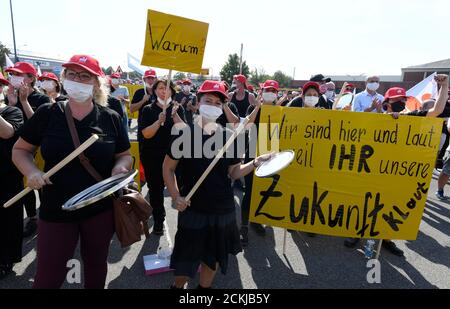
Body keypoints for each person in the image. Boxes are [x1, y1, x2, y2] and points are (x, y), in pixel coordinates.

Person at [12, 54, 132, 289]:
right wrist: (32, 172)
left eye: (84, 75)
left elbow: (124, 154)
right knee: (48, 274)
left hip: (99, 209)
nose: (77, 79)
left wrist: (120, 168)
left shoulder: (111, 118)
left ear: (97, 83)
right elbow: (20, 150)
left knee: (96, 266)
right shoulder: (47, 113)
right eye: (72, 74)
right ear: (64, 78)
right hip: (56, 208)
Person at [163, 80, 271, 289]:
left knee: (210, 260)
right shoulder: (184, 133)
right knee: (185, 264)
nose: (212, 106)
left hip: (222, 211)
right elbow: (167, 168)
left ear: (222, 107)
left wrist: (256, 162)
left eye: (217, 103)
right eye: (208, 100)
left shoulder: (230, 137)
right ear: (197, 102)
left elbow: (234, 172)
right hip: (193, 209)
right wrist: (176, 196)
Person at [345, 74, 449, 256]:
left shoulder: (413, 117)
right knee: (365, 203)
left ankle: (386, 239)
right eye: (397, 101)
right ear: (387, 104)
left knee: (390, 205)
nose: (401, 103)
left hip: (397, 174)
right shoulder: (376, 121)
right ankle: (357, 233)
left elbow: (437, 109)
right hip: (372, 171)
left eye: (403, 100)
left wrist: (444, 85)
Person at [6, 62, 51, 238]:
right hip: (18, 148)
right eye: (13, 74)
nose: (14, 78)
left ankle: (41, 218)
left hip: (38, 149)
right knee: (20, 185)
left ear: (31, 79)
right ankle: (28, 217)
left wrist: (24, 102)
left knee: (37, 182)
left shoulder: (42, 100)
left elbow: (39, 126)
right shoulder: (12, 96)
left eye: (19, 74)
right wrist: (12, 103)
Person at [139, 79, 186, 235]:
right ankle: (159, 220)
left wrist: (174, 116)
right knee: (156, 190)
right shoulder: (147, 110)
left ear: (172, 91)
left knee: (180, 189)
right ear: (155, 91)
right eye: (160, 88)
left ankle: (185, 221)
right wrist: (159, 122)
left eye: (166, 88)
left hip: (176, 157)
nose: (163, 91)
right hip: (153, 156)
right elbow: (146, 134)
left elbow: (185, 132)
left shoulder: (177, 109)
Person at [240, 80, 280, 245]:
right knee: (250, 191)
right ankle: (243, 225)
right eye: (267, 90)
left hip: (273, 156)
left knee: (265, 190)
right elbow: (247, 126)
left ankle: (256, 220)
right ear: (262, 92)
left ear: (276, 93)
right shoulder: (253, 108)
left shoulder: (281, 110)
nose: (270, 92)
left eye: (273, 90)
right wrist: (257, 108)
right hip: (253, 154)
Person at [0, 78, 24, 280]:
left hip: (7, 176)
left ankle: (6, 259)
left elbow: (7, 133)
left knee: (7, 221)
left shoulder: (11, 112)